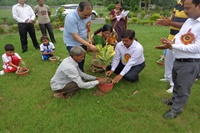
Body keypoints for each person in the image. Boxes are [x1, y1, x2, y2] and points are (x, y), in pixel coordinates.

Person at [155, 0, 200, 119]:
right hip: (179, 59)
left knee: (183, 87)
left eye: (188, 8)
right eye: (184, 8)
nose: (185, 11)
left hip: (190, 62)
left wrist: (173, 46)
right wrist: (171, 42)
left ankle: (176, 110)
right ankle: (174, 101)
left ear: (198, 6)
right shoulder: (190, 20)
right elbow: (179, 35)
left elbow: (197, 47)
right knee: (177, 83)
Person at [156, 0, 188, 93]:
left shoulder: (192, 4)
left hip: (183, 38)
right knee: (168, 58)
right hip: (172, 35)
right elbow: (172, 18)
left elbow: (187, 25)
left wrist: (169, 23)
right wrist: (166, 21)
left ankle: (174, 85)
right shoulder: (178, 3)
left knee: (176, 61)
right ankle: (168, 76)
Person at [63, 1, 97, 72]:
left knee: (81, 59)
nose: (87, 17)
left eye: (89, 15)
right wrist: (89, 45)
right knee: (76, 61)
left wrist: (89, 38)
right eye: (85, 15)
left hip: (83, 42)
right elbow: (76, 36)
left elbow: (88, 27)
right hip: (72, 43)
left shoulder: (88, 15)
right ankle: (76, 77)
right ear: (79, 10)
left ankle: (80, 74)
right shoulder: (71, 18)